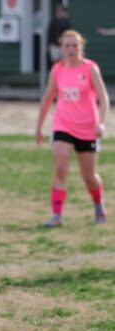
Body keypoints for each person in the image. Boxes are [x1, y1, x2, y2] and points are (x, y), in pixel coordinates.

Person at [35, 30, 110, 227]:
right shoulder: (57, 70)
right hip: (63, 125)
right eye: (67, 45)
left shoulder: (90, 69)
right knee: (60, 168)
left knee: (89, 176)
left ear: (81, 47)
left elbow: (103, 98)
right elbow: (47, 98)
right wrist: (39, 126)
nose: (71, 49)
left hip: (87, 129)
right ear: (62, 48)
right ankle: (56, 216)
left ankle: (99, 206)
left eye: (75, 45)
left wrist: (101, 123)